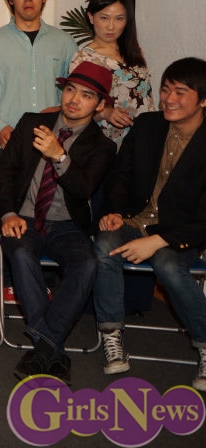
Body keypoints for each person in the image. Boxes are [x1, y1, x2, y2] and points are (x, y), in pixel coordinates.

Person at [0, 60, 116, 385]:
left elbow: (83, 188)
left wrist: (59, 155)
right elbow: (4, 174)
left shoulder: (103, 146)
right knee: (21, 253)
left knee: (87, 264)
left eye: (86, 95)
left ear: (99, 105)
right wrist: (7, 213)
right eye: (70, 89)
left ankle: (45, 347)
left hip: (67, 226)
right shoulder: (32, 123)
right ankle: (53, 350)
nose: (74, 99)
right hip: (23, 218)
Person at [93, 57, 206, 392]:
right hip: (135, 219)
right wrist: (114, 211)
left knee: (168, 266)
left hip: (180, 232)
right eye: (166, 89)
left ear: (203, 100)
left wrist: (157, 241)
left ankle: (204, 344)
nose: (169, 98)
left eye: (180, 92)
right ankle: (111, 334)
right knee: (104, 244)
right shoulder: (147, 125)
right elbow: (121, 175)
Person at [0, 0, 77, 186]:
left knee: (52, 207)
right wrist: (0, 127)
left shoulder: (65, 43)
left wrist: (60, 110)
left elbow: (75, 92)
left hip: (53, 143)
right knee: (7, 206)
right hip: (7, 144)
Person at [69, 0, 154, 147]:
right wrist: (104, 113)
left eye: (119, 19)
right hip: (107, 143)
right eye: (104, 18)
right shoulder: (84, 59)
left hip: (144, 138)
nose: (111, 26)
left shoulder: (136, 51)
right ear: (91, 17)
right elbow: (75, 113)